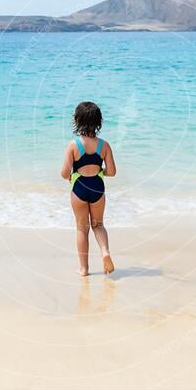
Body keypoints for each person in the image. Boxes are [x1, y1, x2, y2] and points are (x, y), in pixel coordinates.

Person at [61, 101, 117, 276]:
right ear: (98, 121)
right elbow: (112, 172)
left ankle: (84, 269)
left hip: (79, 189)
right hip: (97, 188)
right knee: (98, 225)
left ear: (77, 121)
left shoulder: (73, 146)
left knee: (81, 229)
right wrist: (101, 172)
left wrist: (71, 176)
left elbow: (64, 173)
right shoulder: (104, 145)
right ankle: (105, 251)